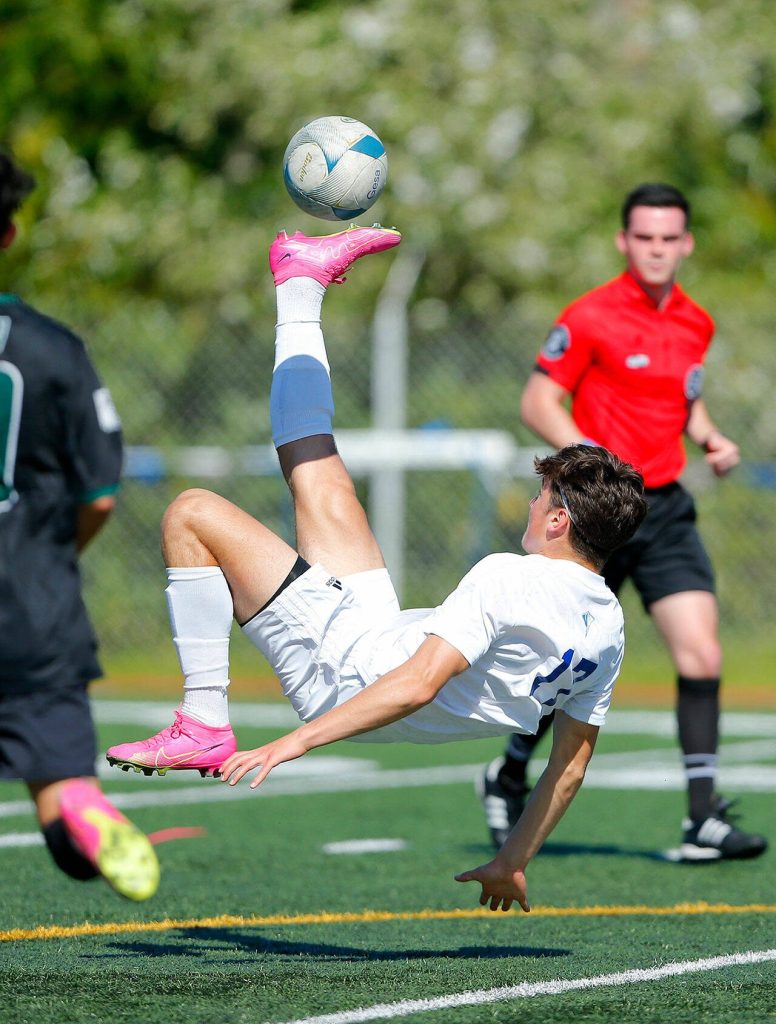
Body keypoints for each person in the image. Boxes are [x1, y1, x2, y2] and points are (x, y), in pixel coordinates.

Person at [107, 223, 647, 912]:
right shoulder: (608, 624)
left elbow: (419, 685)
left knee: (190, 512)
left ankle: (203, 718)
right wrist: (514, 860)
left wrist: (296, 740)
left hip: (336, 668)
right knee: (318, 472)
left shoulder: (511, 576)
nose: (535, 494)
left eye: (544, 490)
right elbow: (570, 762)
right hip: (372, 634)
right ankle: (299, 285)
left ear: (558, 520)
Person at [479, 182, 768, 863]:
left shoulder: (696, 321)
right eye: (645, 237)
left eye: (670, 238)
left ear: (686, 243)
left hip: (664, 508)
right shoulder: (590, 316)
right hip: (600, 517)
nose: (658, 249)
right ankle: (507, 773)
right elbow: (538, 398)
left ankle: (702, 820)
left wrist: (711, 437)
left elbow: (682, 401)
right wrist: (592, 471)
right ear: (624, 241)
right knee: (566, 663)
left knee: (703, 654)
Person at [0, 150, 159, 900]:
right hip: (34, 608)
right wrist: (52, 558)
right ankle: (85, 815)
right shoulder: (55, 350)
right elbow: (98, 493)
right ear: (8, 234)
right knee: (62, 800)